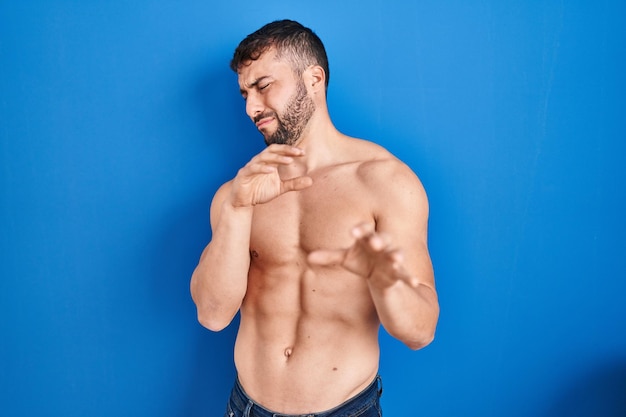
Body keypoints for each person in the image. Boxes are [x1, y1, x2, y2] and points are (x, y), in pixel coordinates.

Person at [190, 19, 439, 417]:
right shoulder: (237, 193)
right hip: (247, 407)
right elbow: (213, 315)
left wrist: (380, 271)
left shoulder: (386, 182)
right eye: (244, 94)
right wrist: (237, 211)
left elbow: (420, 331)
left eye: (263, 86)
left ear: (314, 78)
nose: (251, 107)